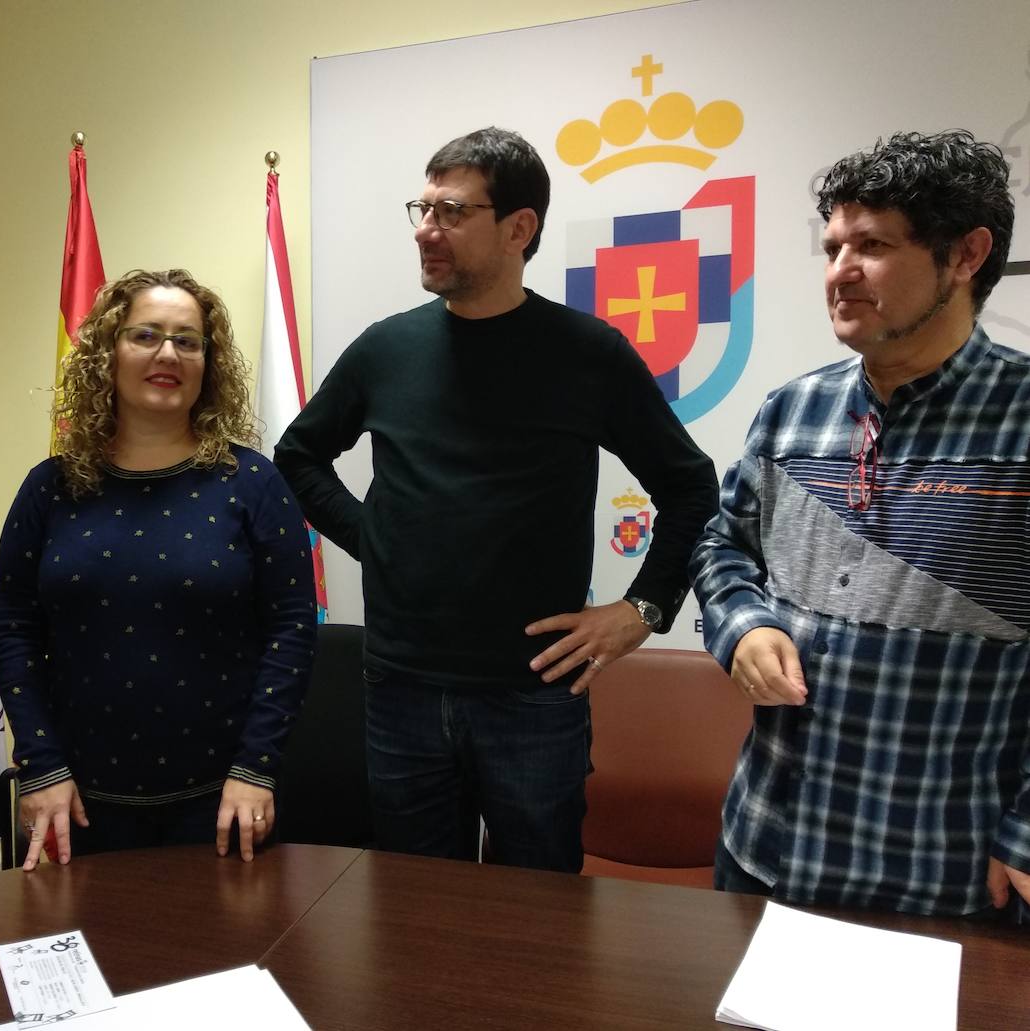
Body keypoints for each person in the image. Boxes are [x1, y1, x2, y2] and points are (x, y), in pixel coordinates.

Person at [273, 127, 717, 872]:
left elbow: (690, 485)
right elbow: (298, 455)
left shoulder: (587, 353)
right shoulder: (387, 349)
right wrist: (373, 535)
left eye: (450, 211)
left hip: (533, 694)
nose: (425, 229)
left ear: (519, 227)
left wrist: (642, 610)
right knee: (418, 914)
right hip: (401, 686)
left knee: (538, 923)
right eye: (421, 207)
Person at [692, 130, 1030, 917]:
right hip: (767, 850)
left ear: (967, 255)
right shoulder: (794, 410)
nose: (840, 271)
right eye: (834, 245)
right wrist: (742, 626)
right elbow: (722, 545)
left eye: (872, 245)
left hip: (943, 878)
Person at [0, 268, 316, 869]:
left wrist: (256, 768)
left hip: (225, 804)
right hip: (76, 803)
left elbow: (292, 630)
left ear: (207, 363)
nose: (167, 353)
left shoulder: (252, 484)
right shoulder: (50, 488)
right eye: (145, 335)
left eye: (187, 340)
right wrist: (40, 765)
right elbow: (14, 630)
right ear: (107, 354)